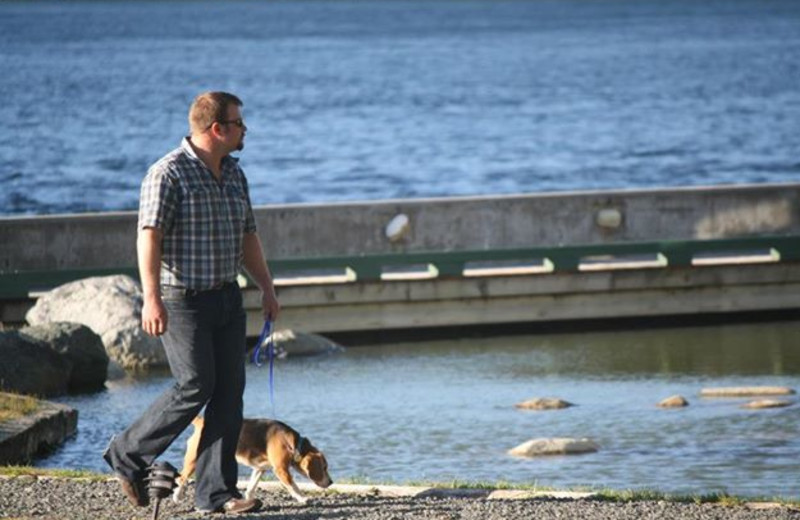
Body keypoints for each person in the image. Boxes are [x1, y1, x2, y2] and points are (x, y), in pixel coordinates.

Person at [103, 91, 280, 515]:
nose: (244, 131)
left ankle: (216, 494)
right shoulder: (167, 174)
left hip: (226, 297)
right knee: (195, 384)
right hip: (182, 300)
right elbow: (149, 237)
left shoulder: (235, 174)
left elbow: (248, 237)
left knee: (229, 393)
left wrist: (267, 288)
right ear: (217, 129)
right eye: (239, 124)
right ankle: (128, 454)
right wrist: (151, 298)